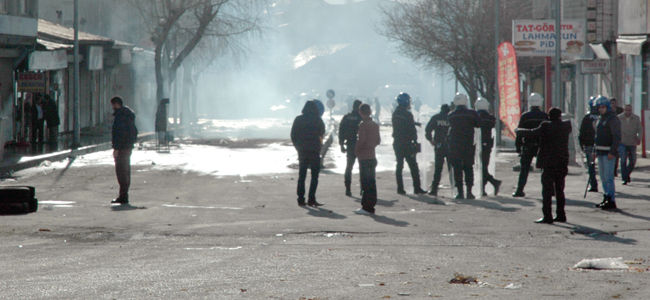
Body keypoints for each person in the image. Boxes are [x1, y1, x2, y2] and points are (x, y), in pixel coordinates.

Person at [516, 107, 572, 224]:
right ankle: (561, 214)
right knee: (560, 190)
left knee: (546, 191)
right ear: (560, 116)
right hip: (562, 162)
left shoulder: (546, 126)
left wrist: (518, 130)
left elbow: (531, 133)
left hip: (548, 162)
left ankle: (547, 216)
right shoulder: (566, 126)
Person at [291, 100, 326, 207]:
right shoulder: (318, 119)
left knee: (302, 175)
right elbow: (322, 132)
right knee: (314, 176)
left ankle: (300, 199)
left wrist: (297, 147)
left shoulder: (298, 119)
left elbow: (293, 135)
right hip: (314, 151)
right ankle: (312, 199)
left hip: (302, 151)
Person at [513, 93, 548, 197]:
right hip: (542, 145)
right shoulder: (545, 116)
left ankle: (519, 190)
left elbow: (519, 133)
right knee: (545, 170)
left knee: (524, 169)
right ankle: (549, 190)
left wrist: (518, 146)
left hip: (528, 145)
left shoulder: (525, 116)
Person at [392, 92, 427, 195]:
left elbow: (402, 125)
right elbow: (411, 129)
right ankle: (417, 188)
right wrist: (415, 141)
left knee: (399, 165)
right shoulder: (408, 114)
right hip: (407, 144)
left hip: (397, 143)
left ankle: (400, 188)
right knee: (413, 166)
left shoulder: (395, 113)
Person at [447, 93, 480, 199]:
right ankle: (469, 192)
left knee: (457, 168)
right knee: (468, 167)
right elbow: (478, 124)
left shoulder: (451, 115)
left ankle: (460, 192)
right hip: (468, 145)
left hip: (454, 145)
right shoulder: (472, 113)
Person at [593, 96, 621, 210]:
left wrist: (612, 151)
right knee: (603, 178)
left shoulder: (613, 119)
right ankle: (606, 197)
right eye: (599, 107)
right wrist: (594, 150)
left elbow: (617, 137)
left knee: (609, 177)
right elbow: (597, 136)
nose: (601, 109)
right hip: (600, 152)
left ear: (607, 107)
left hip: (608, 153)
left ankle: (611, 200)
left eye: (603, 107)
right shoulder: (600, 118)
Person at [354, 104, 381, 215]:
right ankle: (372, 206)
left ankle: (366, 207)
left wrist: (356, 150)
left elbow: (361, 140)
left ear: (361, 113)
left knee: (365, 183)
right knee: (372, 182)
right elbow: (378, 141)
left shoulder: (363, 125)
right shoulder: (375, 125)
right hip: (372, 156)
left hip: (364, 157)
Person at [111, 96, 138, 205]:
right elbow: (134, 132)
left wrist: (116, 148)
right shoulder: (129, 116)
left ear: (116, 104)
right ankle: (123, 194)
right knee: (126, 171)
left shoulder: (120, 116)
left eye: (112, 105)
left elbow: (119, 134)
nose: (112, 107)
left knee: (121, 171)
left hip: (122, 148)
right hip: (128, 147)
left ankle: (123, 196)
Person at [475, 97, 502, 196]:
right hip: (487, 144)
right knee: (484, 166)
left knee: (480, 167)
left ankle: (489, 184)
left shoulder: (475, 117)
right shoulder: (491, 118)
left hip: (477, 145)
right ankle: (491, 183)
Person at [425, 104, 451, 196]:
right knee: (452, 168)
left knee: (438, 168)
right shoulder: (452, 117)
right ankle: (457, 190)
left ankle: (434, 189)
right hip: (450, 146)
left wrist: (431, 140)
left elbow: (428, 129)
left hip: (439, 145)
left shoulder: (436, 117)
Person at [339, 100, 363, 196]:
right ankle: (362, 189)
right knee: (362, 168)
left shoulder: (347, 117)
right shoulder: (362, 118)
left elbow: (341, 131)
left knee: (349, 167)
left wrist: (341, 144)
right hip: (361, 146)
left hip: (350, 145)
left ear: (352, 107)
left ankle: (348, 189)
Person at [578, 97, 599, 192]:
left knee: (591, 166)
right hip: (601, 145)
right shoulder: (603, 117)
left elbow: (582, 132)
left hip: (590, 145)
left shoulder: (587, 118)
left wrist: (581, 144)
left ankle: (594, 185)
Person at [618, 104, 643, 185]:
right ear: (624, 110)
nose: (628, 111)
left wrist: (639, 138)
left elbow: (640, 129)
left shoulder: (636, 118)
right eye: (626, 110)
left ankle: (626, 174)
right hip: (622, 142)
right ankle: (624, 178)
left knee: (633, 160)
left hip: (632, 142)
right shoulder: (619, 118)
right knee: (623, 160)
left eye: (629, 110)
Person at [610, 98, 623, 177]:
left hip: (618, 133)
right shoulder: (607, 111)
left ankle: (614, 170)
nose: (612, 104)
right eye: (611, 103)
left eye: (614, 103)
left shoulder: (620, 110)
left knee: (616, 154)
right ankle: (612, 170)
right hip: (610, 134)